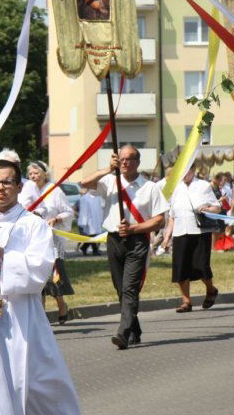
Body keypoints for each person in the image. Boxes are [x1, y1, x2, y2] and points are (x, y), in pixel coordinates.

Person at [0, 159, 81, 414]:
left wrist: (4, 255)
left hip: (23, 319)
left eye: (7, 182)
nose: (0, 188)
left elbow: (40, 271)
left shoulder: (33, 225)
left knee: (38, 385)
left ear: (19, 187)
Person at [80, 145, 168, 349]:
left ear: (137, 162)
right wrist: (107, 169)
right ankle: (134, 329)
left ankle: (123, 332)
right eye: (121, 159)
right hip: (113, 240)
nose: (125, 162)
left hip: (137, 241)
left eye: (129, 159)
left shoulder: (150, 187)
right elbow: (84, 183)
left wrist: (134, 228)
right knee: (121, 289)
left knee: (129, 288)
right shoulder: (110, 181)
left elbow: (159, 221)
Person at [162, 167, 221, 312]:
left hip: (200, 232)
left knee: (201, 266)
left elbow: (217, 207)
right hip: (180, 232)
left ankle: (211, 289)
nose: (183, 173)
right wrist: (167, 237)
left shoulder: (203, 185)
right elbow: (172, 216)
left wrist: (208, 210)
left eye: (187, 170)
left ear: (193, 170)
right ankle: (186, 301)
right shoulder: (176, 188)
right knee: (180, 268)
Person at [27, 161, 75, 324]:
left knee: (55, 276)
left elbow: (69, 212)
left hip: (52, 242)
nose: (33, 176)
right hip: (33, 242)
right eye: (31, 174)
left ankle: (62, 305)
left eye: (36, 173)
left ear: (45, 174)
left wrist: (56, 218)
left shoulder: (55, 191)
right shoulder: (28, 192)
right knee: (37, 278)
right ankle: (40, 315)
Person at [76, 187, 103, 255]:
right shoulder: (85, 198)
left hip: (96, 219)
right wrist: (83, 222)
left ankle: (85, 248)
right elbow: (83, 211)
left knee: (93, 235)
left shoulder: (98, 197)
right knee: (92, 235)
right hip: (89, 220)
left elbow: (101, 208)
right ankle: (94, 250)